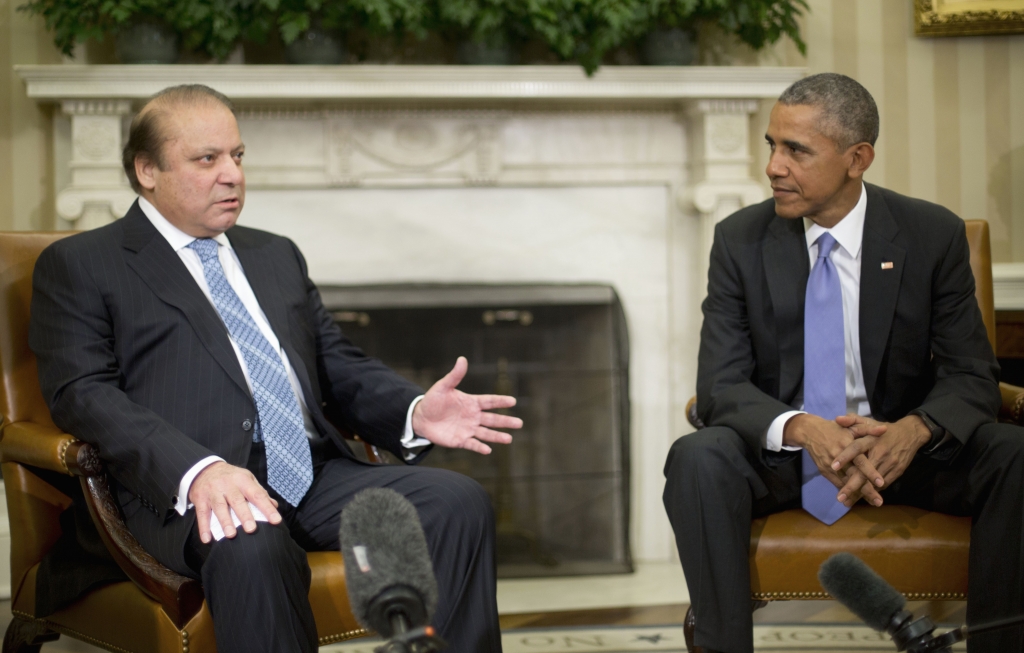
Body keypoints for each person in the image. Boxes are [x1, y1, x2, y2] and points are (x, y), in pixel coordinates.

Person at [29, 84, 521, 653]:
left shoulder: (273, 253)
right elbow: (82, 394)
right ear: (147, 170)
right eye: (206, 159)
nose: (232, 174)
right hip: (182, 490)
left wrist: (413, 410)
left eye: (237, 156)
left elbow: (335, 364)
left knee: (457, 504)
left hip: (309, 475)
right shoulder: (83, 264)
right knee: (251, 538)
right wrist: (198, 470)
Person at [663, 72, 1024, 653]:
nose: (774, 167)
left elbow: (971, 373)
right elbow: (721, 384)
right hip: (788, 460)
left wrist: (915, 429)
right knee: (696, 457)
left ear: (858, 158)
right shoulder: (740, 239)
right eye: (771, 147)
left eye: (796, 150)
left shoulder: (931, 235)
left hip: (906, 454)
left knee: (1013, 453)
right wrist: (803, 428)